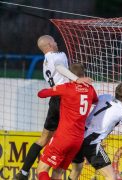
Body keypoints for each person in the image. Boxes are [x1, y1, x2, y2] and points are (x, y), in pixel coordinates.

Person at [14, 35, 93, 180]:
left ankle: (23, 172)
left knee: (43, 139)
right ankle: (76, 163)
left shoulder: (45, 63)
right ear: (50, 44)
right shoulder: (57, 57)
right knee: (73, 132)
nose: (57, 43)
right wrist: (77, 79)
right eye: (55, 41)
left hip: (54, 99)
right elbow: (59, 67)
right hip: (66, 99)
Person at [36, 63, 98, 179]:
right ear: (83, 75)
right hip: (77, 140)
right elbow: (95, 100)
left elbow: (41, 94)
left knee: (41, 170)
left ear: (70, 75)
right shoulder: (90, 89)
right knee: (57, 174)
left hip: (63, 137)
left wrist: (54, 89)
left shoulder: (66, 88)